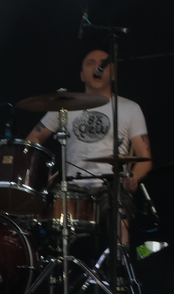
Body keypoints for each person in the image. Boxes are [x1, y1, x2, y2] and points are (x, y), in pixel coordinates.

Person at [26, 49, 151, 194]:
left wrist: (133, 178)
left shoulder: (130, 108)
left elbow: (145, 158)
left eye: (103, 64)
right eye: (90, 63)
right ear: (82, 76)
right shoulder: (64, 106)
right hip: (72, 190)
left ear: (113, 75)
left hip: (111, 191)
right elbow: (32, 139)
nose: (98, 67)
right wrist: (40, 172)